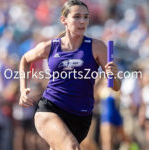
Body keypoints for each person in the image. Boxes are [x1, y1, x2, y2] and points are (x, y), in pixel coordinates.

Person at [19, 0, 121, 150]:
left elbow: (116, 87)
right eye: (77, 16)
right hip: (51, 108)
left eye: (86, 17)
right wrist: (23, 89)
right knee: (71, 147)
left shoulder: (98, 47)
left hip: (81, 116)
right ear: (64, 20)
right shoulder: (50, 46)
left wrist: (114, 75)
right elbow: (25, 60)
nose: (82, 21)